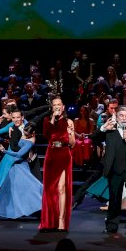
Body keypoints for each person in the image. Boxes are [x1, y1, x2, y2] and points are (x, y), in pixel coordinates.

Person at [92, 106, 126, 236]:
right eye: (121, 115)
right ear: (116, 117)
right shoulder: (110, 129)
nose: (124, 118)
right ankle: (111, 226)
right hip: (115, 169)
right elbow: (94, 138)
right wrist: (103, 128)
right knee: (114, 200)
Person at [0, 122, 42, 219]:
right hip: (14, 166)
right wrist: (10, 130)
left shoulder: (31, 142)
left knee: (30, 188)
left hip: (21, 166)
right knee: (9, 189)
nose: (25, 135)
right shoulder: (24, 129)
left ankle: (40, 208)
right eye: (24, 132)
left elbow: (19, 154)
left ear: (33, 133)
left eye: (27, 134)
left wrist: (4, 151)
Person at [40, 96, 76, 232]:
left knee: (61, 188)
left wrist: (70, 134)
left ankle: (61, 221)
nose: (57, 107)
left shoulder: (69, 121)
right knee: (49, 189)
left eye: (59, 105)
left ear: (63, 107)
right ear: (52, 107)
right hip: (51, 155)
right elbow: (46, 135)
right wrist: (53, 120)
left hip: (64, 154)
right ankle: (49, 221)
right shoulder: (46, 121)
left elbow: (72, 144)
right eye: (54, 105)